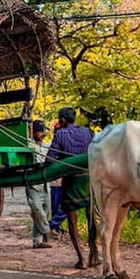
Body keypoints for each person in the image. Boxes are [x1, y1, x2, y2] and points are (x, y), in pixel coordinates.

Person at [46, 107, 99, 269]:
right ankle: (94, 255)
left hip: (71, 181)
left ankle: (82, 259)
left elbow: (49, 159)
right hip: (89, 180)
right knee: (92, 218)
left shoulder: (60, 134)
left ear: (62, 120)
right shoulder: (88, 132)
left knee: (72, 220)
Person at [26, 120, 52, 249]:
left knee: (46, 210)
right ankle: (46, 230)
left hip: (45, 183)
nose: (42, 134)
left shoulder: (47, 146)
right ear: (33, 132)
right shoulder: (28, 144)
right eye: (39, 131)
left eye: (43, 131)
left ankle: (37, 241)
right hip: (33, 182)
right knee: (36, 208)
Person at [48, 121, 67, 237]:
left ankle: (54, 225)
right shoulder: (55, 144)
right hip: (56, 181)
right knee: (56, 207)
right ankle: (53, 226)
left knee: (63, 205)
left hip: (63, 180)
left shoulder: (63, 142)